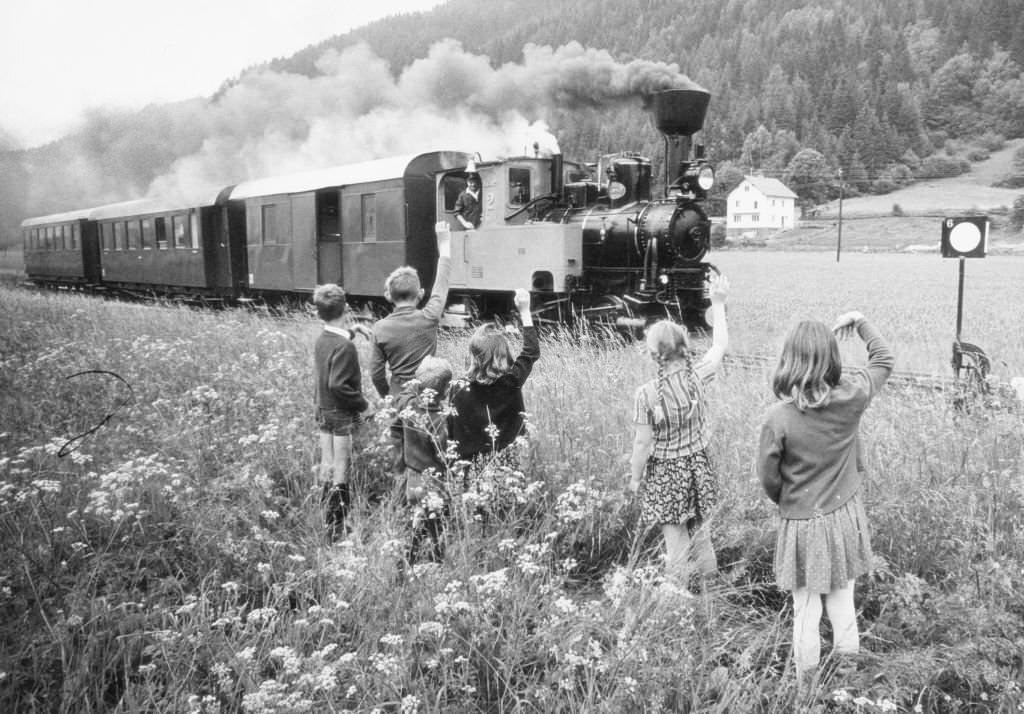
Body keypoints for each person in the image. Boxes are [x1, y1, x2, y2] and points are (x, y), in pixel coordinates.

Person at [756, 311, 894, 683]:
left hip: (802, 524)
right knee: (841, 602)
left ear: (788, 359)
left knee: (805, 611)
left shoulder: (778, 418)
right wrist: (862, 321)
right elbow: (883, 359)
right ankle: (847, 684)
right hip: (845, 517)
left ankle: (806, 692)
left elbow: (769, 479)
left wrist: (791, 501)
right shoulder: (851, 397)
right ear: (833, 359)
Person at [628, 275, 730, 585]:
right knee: (702, 534)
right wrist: (718, 303)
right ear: (684, 348)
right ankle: (712, 593)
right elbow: (721, 345)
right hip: (698, 465)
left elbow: (642, 443)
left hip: (666, 473)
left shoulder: (646, 394)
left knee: (676, 541)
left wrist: (634, 478)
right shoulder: (697, 377)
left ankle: (680, 599)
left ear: (652, 353)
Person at [450, 288, 538, 478]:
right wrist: (525, 311)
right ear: (504, 354)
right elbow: (531, 351)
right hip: (506, 465)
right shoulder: (511, 382)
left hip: (470, 469)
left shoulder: (458, 388)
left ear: (473, 356)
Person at [370, 222, 452, 399]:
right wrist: (444, 245)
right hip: (427, 397)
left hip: (398, 397)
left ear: (388, 296)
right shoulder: (429, 317)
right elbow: (441, 285)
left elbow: (376, 374)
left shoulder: (379, 328)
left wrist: (390, 397)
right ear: (421, 294)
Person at [312, 283, 369, 538]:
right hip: (340, 413)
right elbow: (338, 384)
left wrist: (350, 332)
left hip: (323, 409)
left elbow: (334, 350)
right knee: (342, 469)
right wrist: (364, 406)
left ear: (318, 313)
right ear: (346, 308)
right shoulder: (345, 347)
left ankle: (325, 517)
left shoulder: (323, 339)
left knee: (327, 465)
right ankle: (336, 527)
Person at [393, 356, 453, 563]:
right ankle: (435, 563)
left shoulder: (409, 409)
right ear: (446, 391)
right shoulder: (442, 420)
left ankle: (407, 562)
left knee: (416, 521)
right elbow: (445, 455)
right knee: (436, 527)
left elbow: (402, 398)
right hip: (434, 483)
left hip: (413, 479)